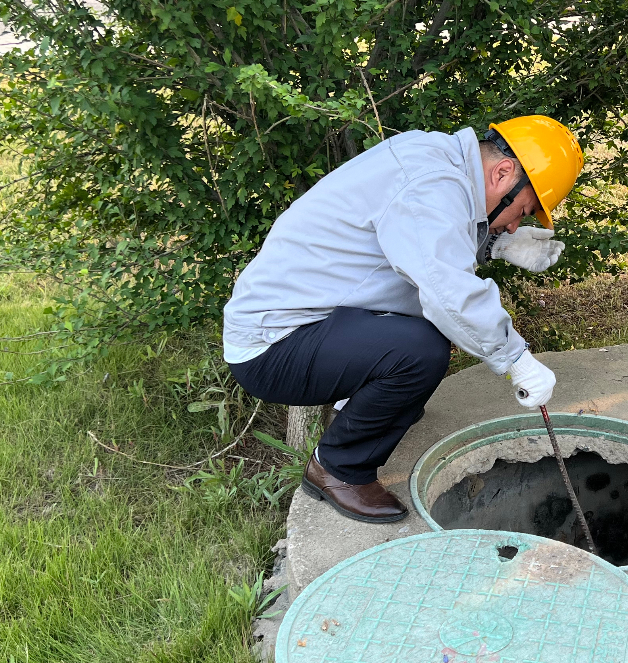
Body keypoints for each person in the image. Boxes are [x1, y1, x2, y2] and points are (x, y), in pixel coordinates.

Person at [222, 116, 583, 523]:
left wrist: (494, 242)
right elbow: (449, 292)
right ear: (502, 173)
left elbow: (423, 241)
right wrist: (516, 359)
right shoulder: (428, 186)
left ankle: (370, 407)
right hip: (273, 346)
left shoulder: (435, 158)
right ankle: (338, 468)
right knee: (421, 350)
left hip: (313, 321)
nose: (515, 223)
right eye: (523, 210)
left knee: (424, 337)